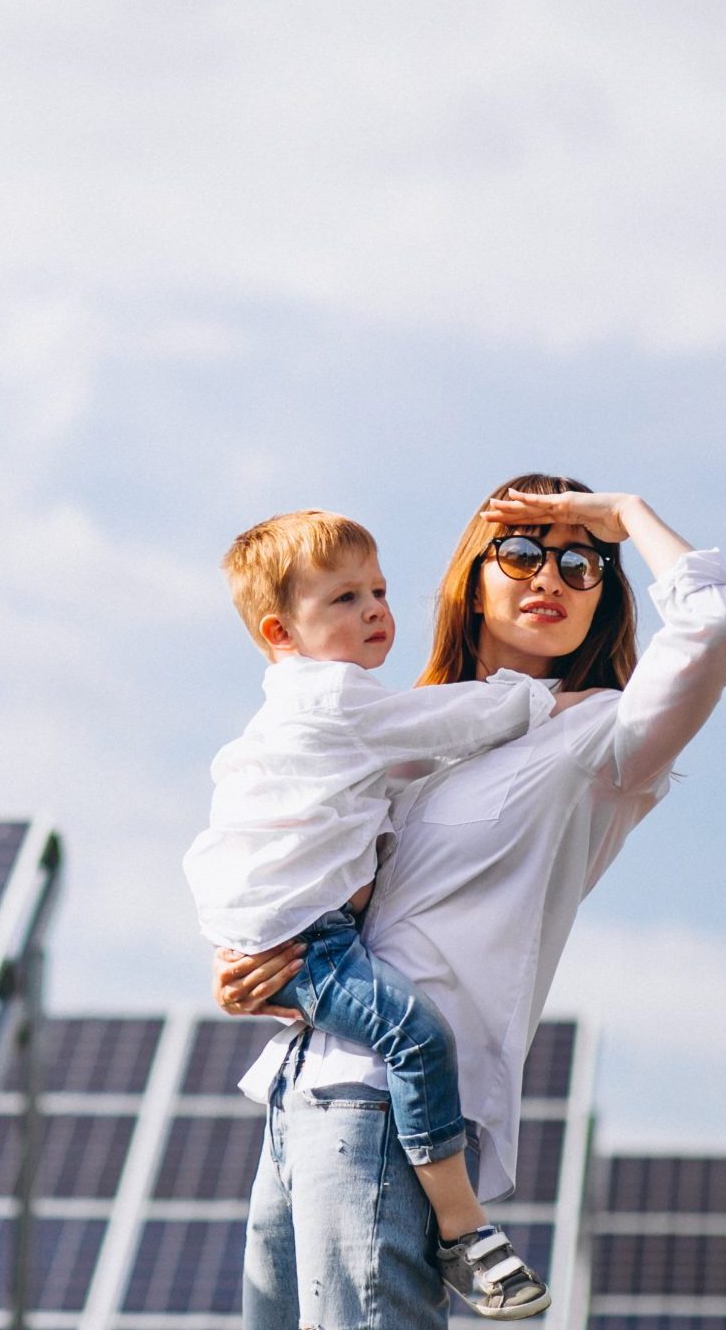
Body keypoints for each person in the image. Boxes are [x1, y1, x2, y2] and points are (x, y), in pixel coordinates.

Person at [214, 477, 726, 1329]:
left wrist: (626, 515)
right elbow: (298, 865)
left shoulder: (599, 737)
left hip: (393, 1113)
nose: (551, 577)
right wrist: (258, 969)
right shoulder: (396, 729)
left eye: (582, 565)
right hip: (300, 1094)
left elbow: (712, 629)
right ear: (472, 580)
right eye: (523, 552)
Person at [185, 509, 576, 1317]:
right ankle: (462, 1227)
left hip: (290, 942)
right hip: (312, 944)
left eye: (379, 591)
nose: (374, 610)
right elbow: (449, 723)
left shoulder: (306, 716)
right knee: (417, 1036)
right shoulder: (334, 699)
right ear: (280, 632)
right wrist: (537, 700)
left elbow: (409, 763)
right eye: (344, 599)